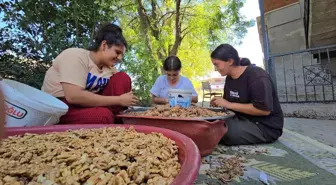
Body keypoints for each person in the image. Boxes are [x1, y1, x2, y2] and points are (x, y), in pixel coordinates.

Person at [42, 23, 138, 124]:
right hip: (62, 107)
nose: (119, 58)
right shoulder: (75, 56)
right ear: (104, 45)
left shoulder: (109, 68)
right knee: (102, 116)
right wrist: (119, 100)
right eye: (117, 52)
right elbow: (73, 96)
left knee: (122, 78)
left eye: (122, 55)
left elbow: (124, 93)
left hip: (91, 106)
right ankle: (110, 122)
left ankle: (117, 121)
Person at [210, 44, 284, 146]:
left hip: (263, 126)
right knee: (209, 122)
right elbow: (228, 104)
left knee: (226, 133)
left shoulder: (257, 76)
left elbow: (264, 110)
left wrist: (228, 104)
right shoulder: (229, 78)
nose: (215, 69)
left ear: (230, 61)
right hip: (241, 119)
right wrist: (219, 104)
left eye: (217, 64)